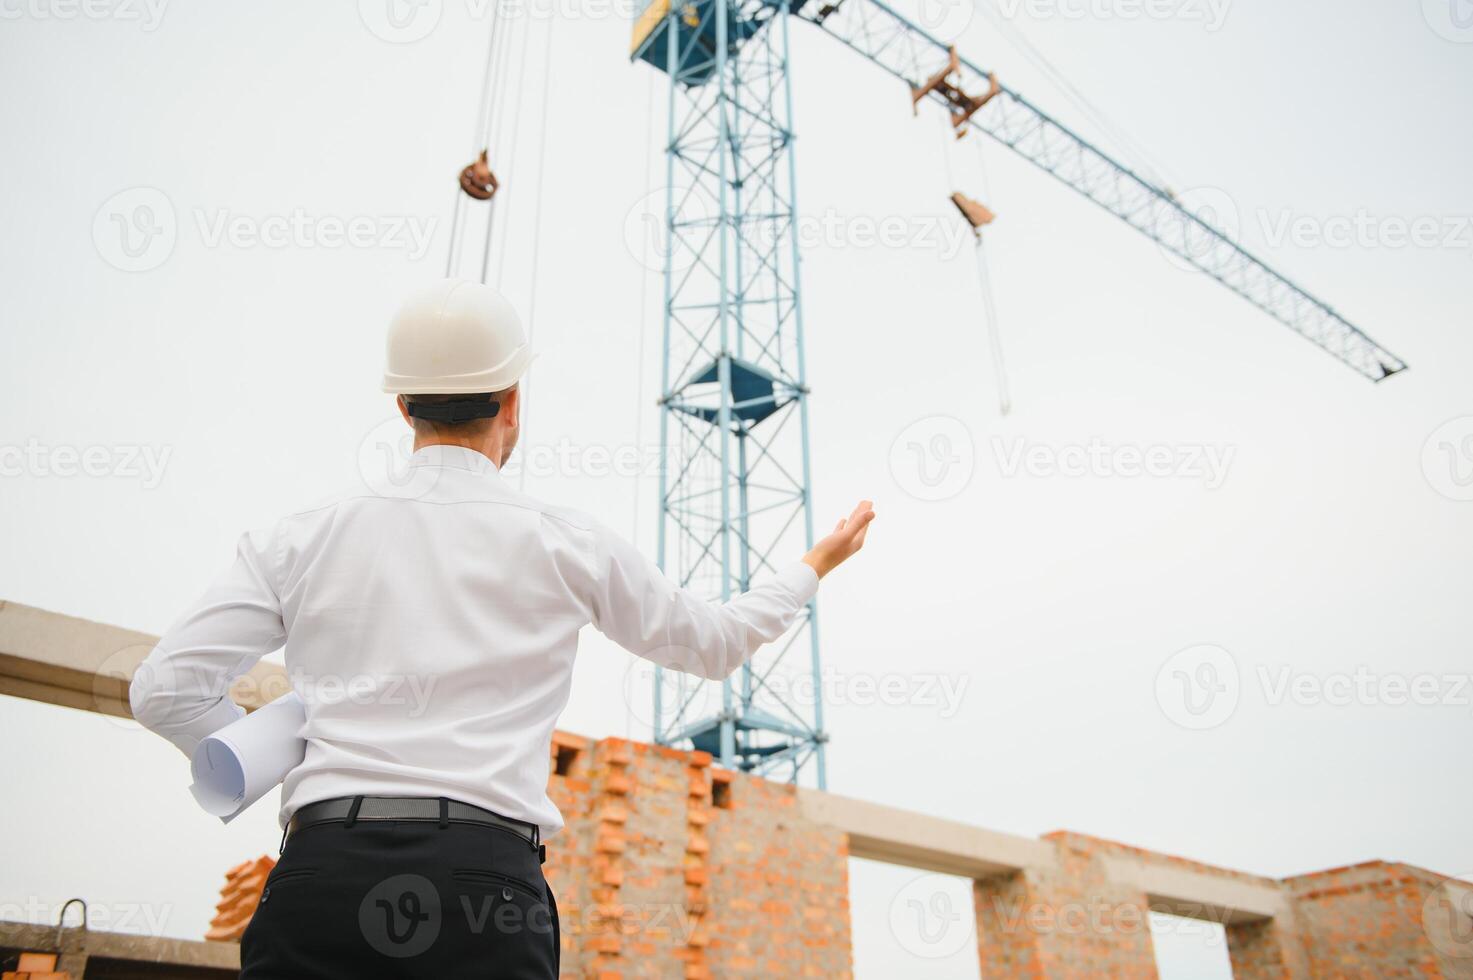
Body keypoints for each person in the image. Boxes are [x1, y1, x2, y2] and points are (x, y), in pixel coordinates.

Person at [129, 278, 875, 978]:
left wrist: (268, 753)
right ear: (512, 401)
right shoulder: (565, 541)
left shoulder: (299, 537)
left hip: (323, 877)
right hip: (486, 890)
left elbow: (164, 690)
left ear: (401, 407)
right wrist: (813, 565)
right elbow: (713, 645)